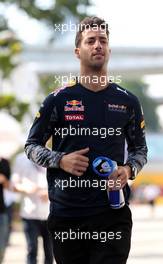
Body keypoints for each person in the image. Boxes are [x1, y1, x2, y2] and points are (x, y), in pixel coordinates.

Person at [25, 16, 148, 264]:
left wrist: (128, 169)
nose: (97, 45)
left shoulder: (128, 101)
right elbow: (31, 146)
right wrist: (60, 160)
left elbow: (140, 150)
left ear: (109, 50)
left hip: (112, 213)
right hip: (68, 214)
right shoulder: (57, 100)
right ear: (77, 51)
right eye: (90, 41)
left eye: (103, 40)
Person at [12, 152, 53, 264]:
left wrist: (49, 194)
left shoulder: (52, 155)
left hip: (49, 213)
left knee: (50, 251)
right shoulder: (20, 158)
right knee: (32, 249)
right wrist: (25, 188)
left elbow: (61, 184)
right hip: (29, 212)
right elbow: (13, 185)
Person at [0, 157, 10, 263]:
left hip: (1, 211)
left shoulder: (4, 163)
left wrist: (4, 179)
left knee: (1, 246)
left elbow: (8, 186)